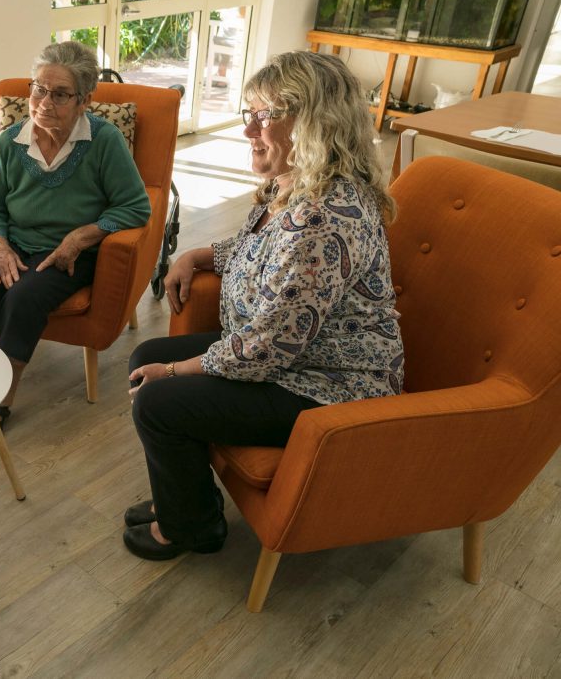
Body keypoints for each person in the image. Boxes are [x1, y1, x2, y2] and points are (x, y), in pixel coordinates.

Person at [121, 51, 405, 560]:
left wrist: (179, 369)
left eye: (266, 115)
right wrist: (199, 253)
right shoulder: (297, 183)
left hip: (327, 384)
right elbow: (262, 252)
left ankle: (192, 529)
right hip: (292, 358)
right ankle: (189, 500)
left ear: (317, 122)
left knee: (159, 400)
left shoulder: (321, 221)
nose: (249, 129)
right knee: (145, 358)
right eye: (248, 113)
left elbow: (265, 351)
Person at [0, 40, 151, 446]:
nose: (44, 102)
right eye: (38, 89)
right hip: (13, 242)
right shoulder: (10, 141)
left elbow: (136, 207)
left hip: (66, 253)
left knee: (23, 297)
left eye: (60, 94)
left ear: (84, 101)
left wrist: (81, 236)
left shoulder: (104, 141)